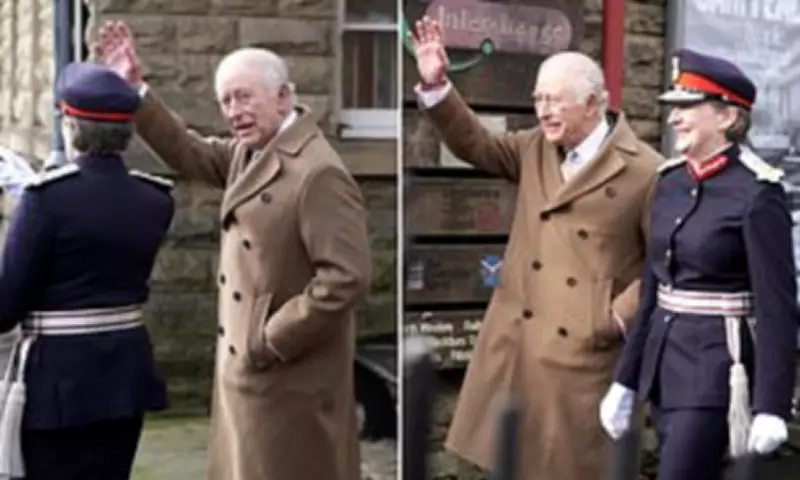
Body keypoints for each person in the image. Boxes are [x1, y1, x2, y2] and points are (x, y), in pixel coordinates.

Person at [96, 20, 373, 480]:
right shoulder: (254, 149)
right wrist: (136, 91)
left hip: (289, 381)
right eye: (226, 100)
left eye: (245, 96)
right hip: (252, 377)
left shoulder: (317, 172)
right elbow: (190, 152)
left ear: (283, 96)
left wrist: (270, 338)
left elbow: (347, 276)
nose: (234, 111)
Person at [409, 17, 662, 479]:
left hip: (582, 356)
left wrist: (614, 317)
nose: (543, 110)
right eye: (538, 99)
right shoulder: (534, 149)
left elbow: (666, 263)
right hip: (521, 341)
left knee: (567, 468)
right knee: (509, 460)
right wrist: (438, 86)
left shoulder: (646, 171)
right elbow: (476, 144)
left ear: (592, 104)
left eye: (554, 100)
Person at [599, 49, 799, 479]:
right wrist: (626, 378)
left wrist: (773, 405)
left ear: (727, 117)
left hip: (717, 375)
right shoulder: (670, 182)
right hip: (663, 369)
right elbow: (654, 288)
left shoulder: (757, 192)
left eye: (687, 108)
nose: (673, 118)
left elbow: (778, 306)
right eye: (673, 108)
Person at [0, 61, 175, 479]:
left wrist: (28, 209)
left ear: (71, 126)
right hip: (125, 376)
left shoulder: (44, 201)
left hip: (58, 384)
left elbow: (5, 308)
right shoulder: (155, 199)